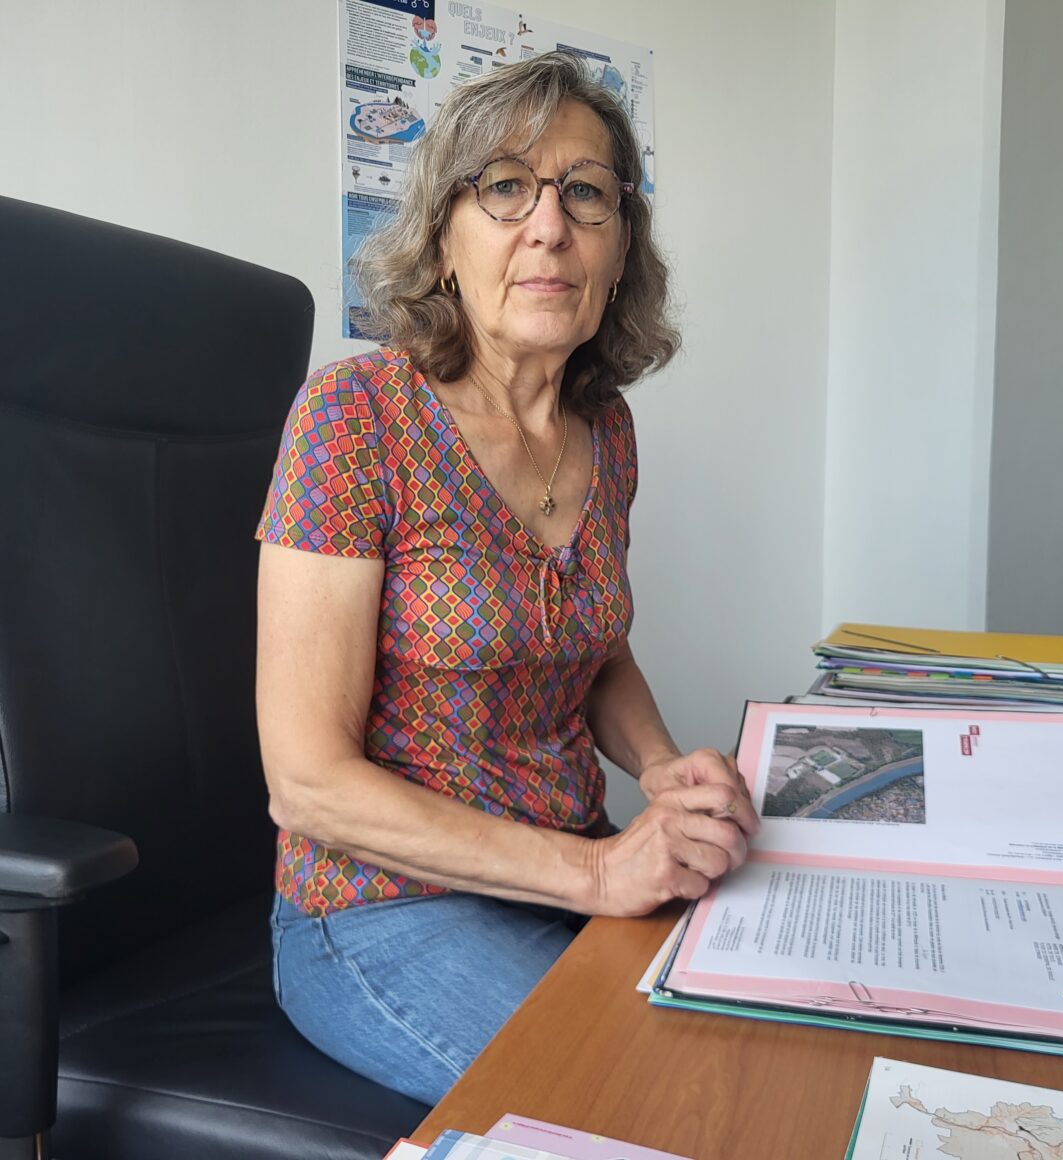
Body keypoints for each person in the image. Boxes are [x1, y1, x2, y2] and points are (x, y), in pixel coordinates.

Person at [255, 51, 759, 1107]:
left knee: (764, 1046)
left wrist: (662, 766)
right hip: (377, 908)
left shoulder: (605, 430)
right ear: (444, 238)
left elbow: (590, 644)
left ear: (620, 249)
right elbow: (306, 783)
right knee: (653, 1104)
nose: (549, 226)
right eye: (505, 187)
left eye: (585, 192)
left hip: (567, 880)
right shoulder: (352, 420)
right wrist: (597, 872)